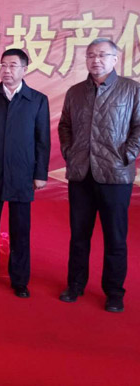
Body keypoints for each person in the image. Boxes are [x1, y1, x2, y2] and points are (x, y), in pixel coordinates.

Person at [58, 38, 140, 313]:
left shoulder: (131, 90)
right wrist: (70, 152)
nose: (96, 60)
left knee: (115, 237)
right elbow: (65, 125)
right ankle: (75, 285)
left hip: (115, 175)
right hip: (81, 173)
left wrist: (127, 154)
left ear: (115, 59)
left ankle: (114, 292)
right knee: (79, 235)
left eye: (102, 55)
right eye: (91, 55)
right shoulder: (75, 92)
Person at [0, 49, 50, 298]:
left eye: (13, 65)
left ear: (25, 69)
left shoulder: (37, 100)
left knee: (20, 230)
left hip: (22, 173)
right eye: (3, 65)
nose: (7, 70)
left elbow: (42, 140)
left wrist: (40, 173)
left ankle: (20, 280)